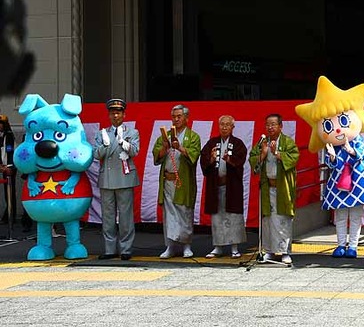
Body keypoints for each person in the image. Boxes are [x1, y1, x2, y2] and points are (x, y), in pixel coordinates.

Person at [294, 75, 364, 259]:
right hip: (339, 184)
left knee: (356, 216)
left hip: (359, 183)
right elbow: (333, 165)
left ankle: (353, 246)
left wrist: (350, 151)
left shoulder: (357, 141)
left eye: (342, 121)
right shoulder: (332, 146)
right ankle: (340, 245)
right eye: (328, 124)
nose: (336, 129)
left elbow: (363, 154)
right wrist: (332, 156)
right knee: (341, 216)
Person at [92, 98, 141, 261]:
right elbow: (96, 155)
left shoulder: (132, 132)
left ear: (124, 114)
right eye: (112, 112)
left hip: (125, 177)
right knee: (107, 215)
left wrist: (123, 143)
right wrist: (106, 146)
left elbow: (135, 151)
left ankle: (126, 248)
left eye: (118, 112)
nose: (115, 115)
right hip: (107, 178)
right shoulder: (102, 133)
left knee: (126, 215)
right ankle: (110, 248)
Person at [249, 113, 299, 265]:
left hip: (282, 188)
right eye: (268, 125)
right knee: (268, 220)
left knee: (283, 220)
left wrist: (277, 154)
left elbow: (294, 157)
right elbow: (253, 159)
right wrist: (263, 154)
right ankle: (269, 250)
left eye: (273, 124)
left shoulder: (288, 142)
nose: (270, 127)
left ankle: (285, 251)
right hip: (267, 187)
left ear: (280, 126)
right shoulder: (262, 143)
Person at [152, 104, 201, 259]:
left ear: (187, 118)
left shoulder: (193, 137)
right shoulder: (164, 136)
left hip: (183, 181)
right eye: (174, 116)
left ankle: (187, 245)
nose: (176, 119)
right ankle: (170, 246)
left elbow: (194, 155)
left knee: (184, 212)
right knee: (169, 214)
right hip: (168, 180)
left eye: (179, 116)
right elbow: (156, 156)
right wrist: (165, 147)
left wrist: (180, 148)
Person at [200, 115, 248, 258]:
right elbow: (203, 161)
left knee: (233, 216)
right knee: (217, 217)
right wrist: (211, 159)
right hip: (216, 186)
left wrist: (230, 160)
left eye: (228, 125)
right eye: (222, 124)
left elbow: (241, 160)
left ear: (233, 127)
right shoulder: (212, 143)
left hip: (231, 186)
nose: (224, 127)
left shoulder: (238, 143)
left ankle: (234, 247)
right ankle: (218, 247)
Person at [0, 115, 16, 226]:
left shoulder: (9, 136)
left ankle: (11, 215)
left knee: (9, 193)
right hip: (2, 165)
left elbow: (10, 152)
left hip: (9, 166)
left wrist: (8, 167)